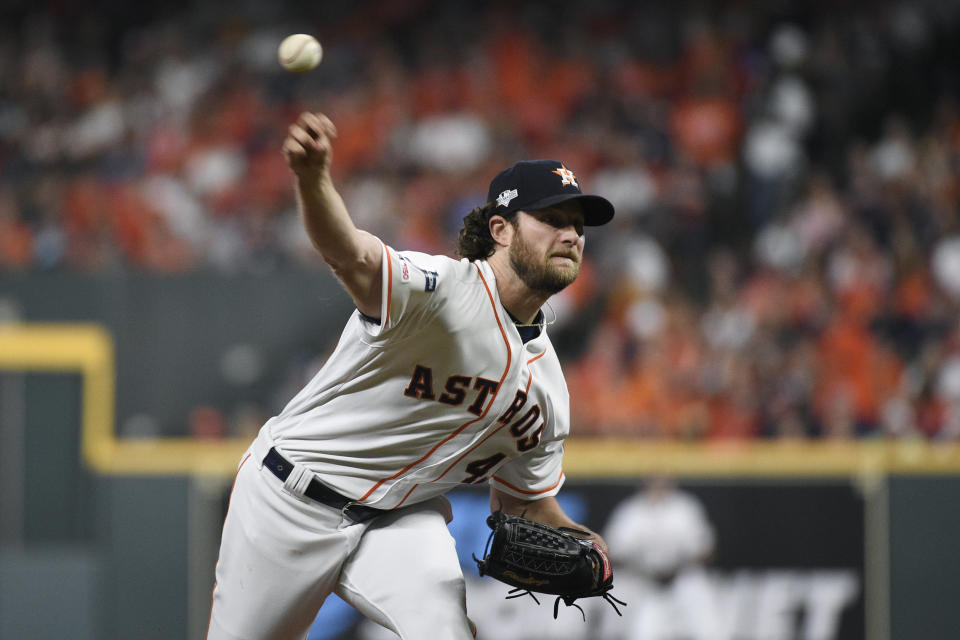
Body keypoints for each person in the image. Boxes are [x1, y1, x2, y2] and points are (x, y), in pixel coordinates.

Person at [206, 111, 616, 640]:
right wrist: (312, 181)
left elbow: (525, 501)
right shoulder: (440, 291)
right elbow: (349, 254)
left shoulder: (549, 394)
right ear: (500, 229)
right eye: (552, 219)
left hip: (399, 519)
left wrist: (585, 541)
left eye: (578, 226)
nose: (571, 235)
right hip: (290, 498)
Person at [600, 476, 718, 640]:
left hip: (683, 580)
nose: (658, 482)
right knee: (643, 632)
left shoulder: (685, 507)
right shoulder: (631, 511)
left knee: (709, 629)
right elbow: (611, 551)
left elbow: (706, 550)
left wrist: (676, 565)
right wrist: (641, 565)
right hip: (644, 583)